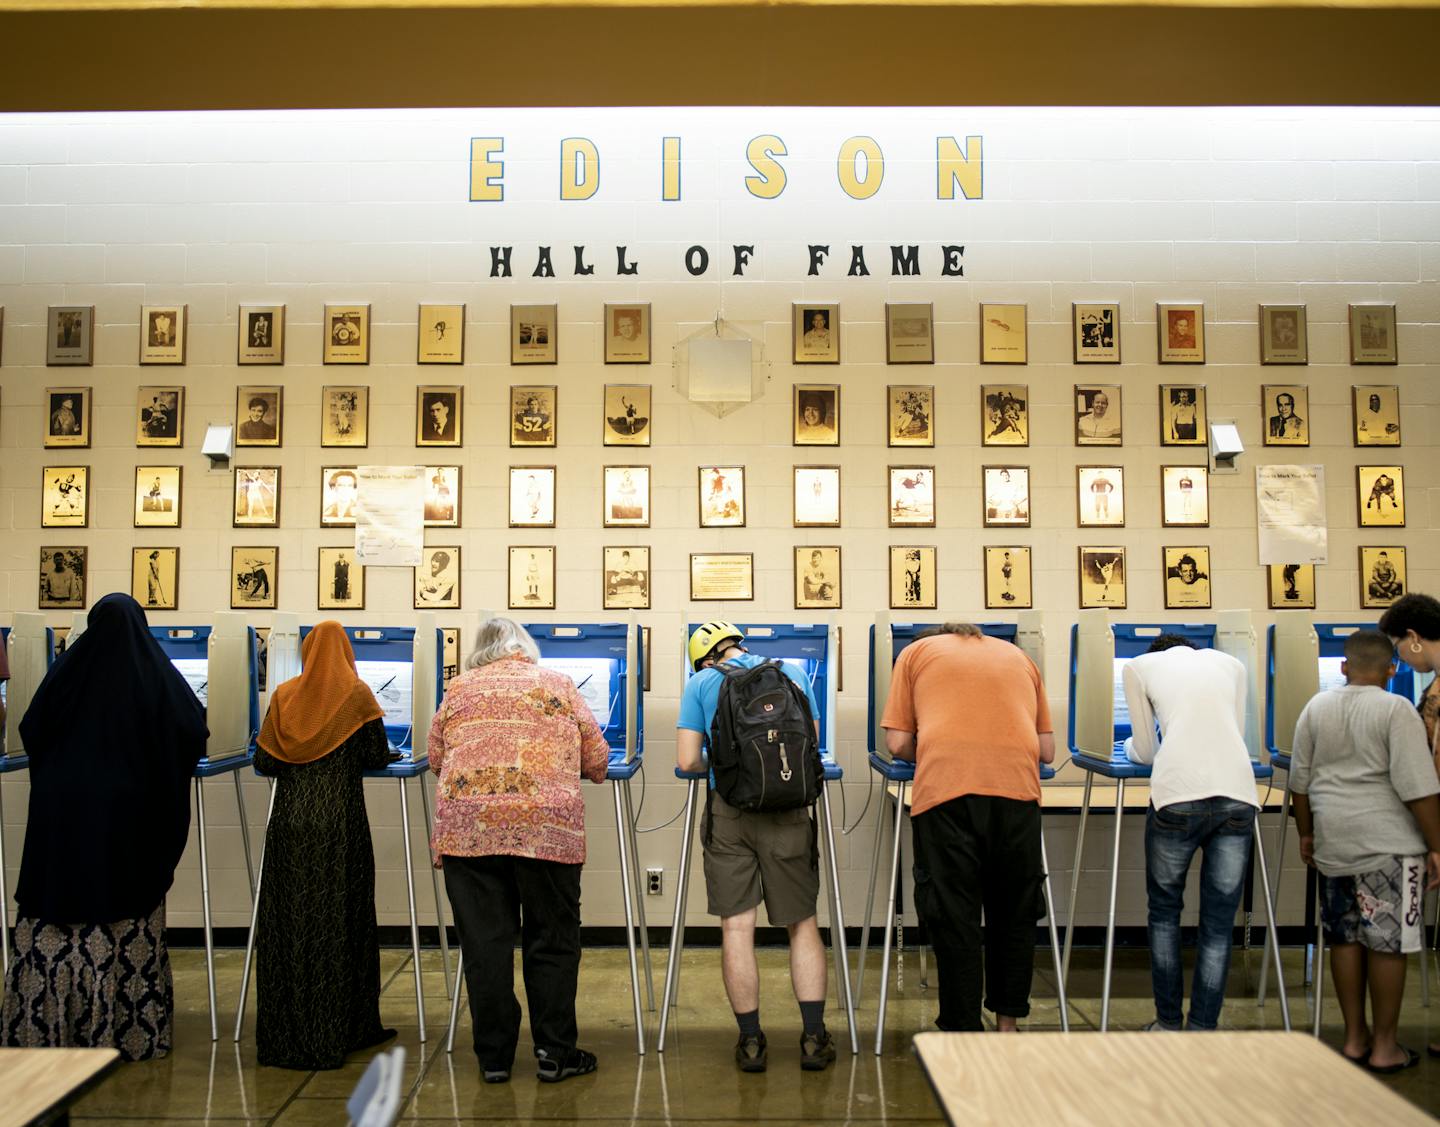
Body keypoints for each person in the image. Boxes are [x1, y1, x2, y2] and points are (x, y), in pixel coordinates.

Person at [0, 594, 205, 1059]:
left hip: (62, 822)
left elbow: (31, 729)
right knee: (128, 910)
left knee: (52, 917)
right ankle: (130, 1032)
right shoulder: (153, 673)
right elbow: (193, 730)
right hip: (127, 824)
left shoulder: (68, 672)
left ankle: (45, 1029)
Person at [429, 617, 609, 1083]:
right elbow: (597, 759)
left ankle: (493, 1059)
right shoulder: (558, 684)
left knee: (485, 945)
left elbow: (435, 758)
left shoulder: (458, 689)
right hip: (545, 829)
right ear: (524, 649)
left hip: (468, 831)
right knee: (552, 940)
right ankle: (554, 1053)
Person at [676, 622, 835, 1072]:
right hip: (789, 812)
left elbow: (687, 759)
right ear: (741, 644)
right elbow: (813, 744)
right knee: (802, 925)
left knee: (737, 928)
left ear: (705, 656)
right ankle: (813, 1038)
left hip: (731, 814)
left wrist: (726, 765)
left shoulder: (702, 682)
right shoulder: (793, 674)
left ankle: (750, 1041)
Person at [881, 623, 1054, 1033]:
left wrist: (937, 744)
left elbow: (897, 743)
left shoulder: (915, 654)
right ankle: (1008, 1025)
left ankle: (963, 1029)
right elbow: (1048, 751)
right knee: (1013, 913)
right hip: (1018, 796)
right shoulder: (1020, 657)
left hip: (947, 794)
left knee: (954, 914)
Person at [1288, 629, 1440, 1073]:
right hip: (1390, 848)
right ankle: (1386, 1047)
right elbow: (1418, 789)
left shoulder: (1316, 707)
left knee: (1345, 939)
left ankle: (1355, 1039)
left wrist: (1307, 834)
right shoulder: (1396, 710)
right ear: (1392, 670)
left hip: (1334, 843)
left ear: (1343, 667)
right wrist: (1437, 846)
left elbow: (1299, 783)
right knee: (1388, 944)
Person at [253, 621, 394, 1070]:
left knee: (289, 926)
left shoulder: (284, 696)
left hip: (289, 825)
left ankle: (285, 1040)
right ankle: (343, 1032)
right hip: (340, 825)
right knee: (341, 923)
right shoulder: (357, 695)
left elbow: (265, 761)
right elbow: (375, 754)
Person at [1121, 634, 1258, 1031]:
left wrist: (1129, 745)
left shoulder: (1139, 667)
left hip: (1177, 798)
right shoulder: (1231, 665)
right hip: (1237, 795)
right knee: (1218, 923)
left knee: (1165, 915)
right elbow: (1234, 731)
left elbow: (1146, 752)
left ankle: (1167, 1025)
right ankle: (1202, 1029)